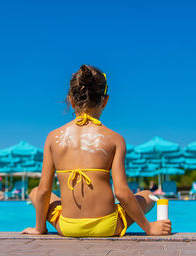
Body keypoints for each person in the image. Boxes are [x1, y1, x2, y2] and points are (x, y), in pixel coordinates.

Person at [21, 65, 171, 237]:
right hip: (108, 226)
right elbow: (121, 192)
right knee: (147, 195)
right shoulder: (115, 139)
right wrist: (149, 228)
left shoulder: (53, 137)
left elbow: (43, 191)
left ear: (71, 100)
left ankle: (42, 227)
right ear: (105, 101)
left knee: (35, 192)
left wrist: (39, 228)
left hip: (68, 227)